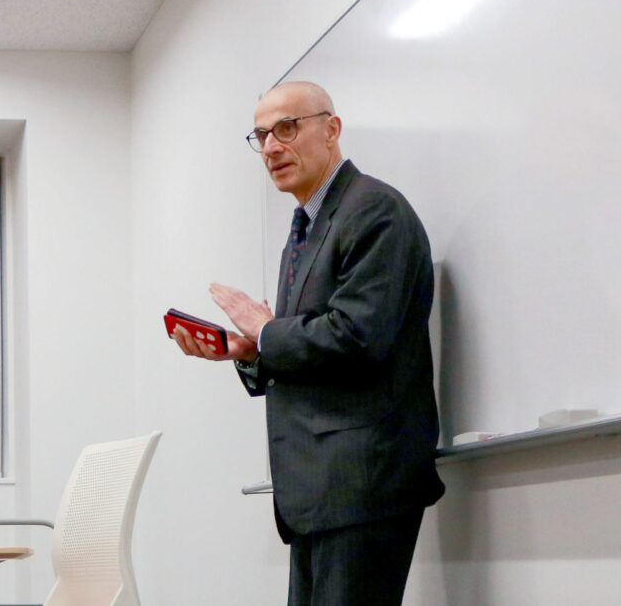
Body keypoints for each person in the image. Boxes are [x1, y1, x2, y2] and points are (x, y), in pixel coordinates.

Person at [171, 81, 444, 605]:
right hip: (318, 489)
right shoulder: (305, 228)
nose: (272, 147)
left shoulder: (374, 210)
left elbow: (358, 336)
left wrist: (266, 330)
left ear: (332, 129)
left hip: (362, 483)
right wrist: (250, 351)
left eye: (287, 128)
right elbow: (310, 351)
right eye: (261, 136)